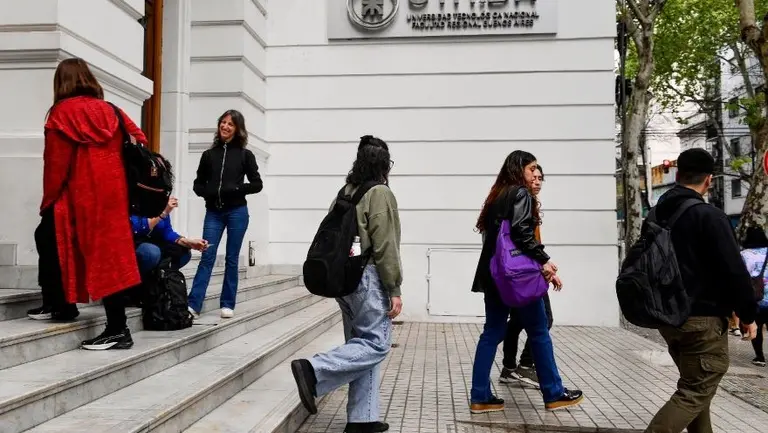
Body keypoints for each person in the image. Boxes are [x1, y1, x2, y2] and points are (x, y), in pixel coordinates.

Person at [290, 135, 402, 433]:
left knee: (360, 344)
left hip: (345, 280)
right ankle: (314, 370)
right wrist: (394, 288)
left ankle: (362, 419)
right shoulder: (380, 193)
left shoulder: (346, 191)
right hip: (367, 279)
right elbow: (385, 246)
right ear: (384, 165)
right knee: (376, 344)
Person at [644, 148, 757, 433]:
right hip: (702, 320)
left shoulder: (656, 215)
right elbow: (734, 271)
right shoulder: (710, 216)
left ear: (677, 175)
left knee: (696, 387)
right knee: (695, 390)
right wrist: (747, 314)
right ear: (709, 180)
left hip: (667, 318)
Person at [27, 58, 142, 324]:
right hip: (113, 195)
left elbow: (55, 165)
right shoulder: (112, 111)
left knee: (49, 239)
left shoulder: (61, 113)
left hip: (77, 195)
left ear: (62, 83)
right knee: (109, 256)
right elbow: (140, 140)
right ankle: (66, 307)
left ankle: (64, 306)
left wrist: (49, 200)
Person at [469, 151, 583, 413]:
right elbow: (521, 233)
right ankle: (554, 393)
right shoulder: (519, 194)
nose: (535, 174)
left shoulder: (496, 196)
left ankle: (480, 396)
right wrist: (544, 260)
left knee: (492, 333)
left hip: (494, 275)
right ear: (518, 168)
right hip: (518, 278)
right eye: (531, 168)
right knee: (540, 330)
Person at [81, 198, 209, 350]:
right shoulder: (134, 200)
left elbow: (167, 232)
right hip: (131, 245)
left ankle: (154, 288)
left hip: (153, 244)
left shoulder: (159, 199)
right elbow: (136, 228)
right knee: (151, 253)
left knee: (183, 253)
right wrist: (163, 213)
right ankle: (131, 292)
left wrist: (188, 242)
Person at [188, 110, 263, 319]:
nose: (225, 126)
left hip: (237, 212)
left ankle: (228, 303)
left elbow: (257, 184)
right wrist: (207, 193)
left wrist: (235, 189)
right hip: (213, 212)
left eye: (230, 124)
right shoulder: (209, 155)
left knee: (231, 258)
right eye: (222, 122)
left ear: (237, 129)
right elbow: (197, 184)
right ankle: (193, 304)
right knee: (207, 255)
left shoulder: (245, 155)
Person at [500, 164, 554, 389]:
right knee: (544, 319)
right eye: (534, 176)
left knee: (516, 322)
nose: (538, 181)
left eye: (541, 177)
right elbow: (525, 241)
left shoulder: (525, 203)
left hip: (524, 272)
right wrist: (544, 263)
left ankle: (510, 367)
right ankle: (523, 365)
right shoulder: (523, 201)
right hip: (526, 274)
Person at [740, 226, 768, 367]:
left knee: (756, 325)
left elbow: (741, 277)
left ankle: (760, 357)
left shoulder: (744, 254)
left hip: (756, 298)